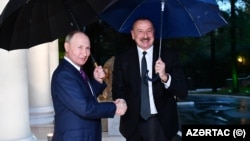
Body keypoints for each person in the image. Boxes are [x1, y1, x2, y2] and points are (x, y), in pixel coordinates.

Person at [112, 18, 188, 141]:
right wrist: (120, 101)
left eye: (149, 31)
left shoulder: (169, 55)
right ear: (133, 34)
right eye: (140, 31)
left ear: (154, 33)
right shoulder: (123, 58)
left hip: (161, 124)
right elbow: (117, 89)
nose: (145, 36)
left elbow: (183, 92)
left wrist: (165, 76)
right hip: (132, 125)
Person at [51, 30, 127, 141]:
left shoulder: (76, 70)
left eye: (87, 48)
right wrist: (114, 107)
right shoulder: (64, 75)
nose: (85, 53)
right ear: (67, 47)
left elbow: (84, 95)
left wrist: (97, 81)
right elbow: (85, 108)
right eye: (80, 47)